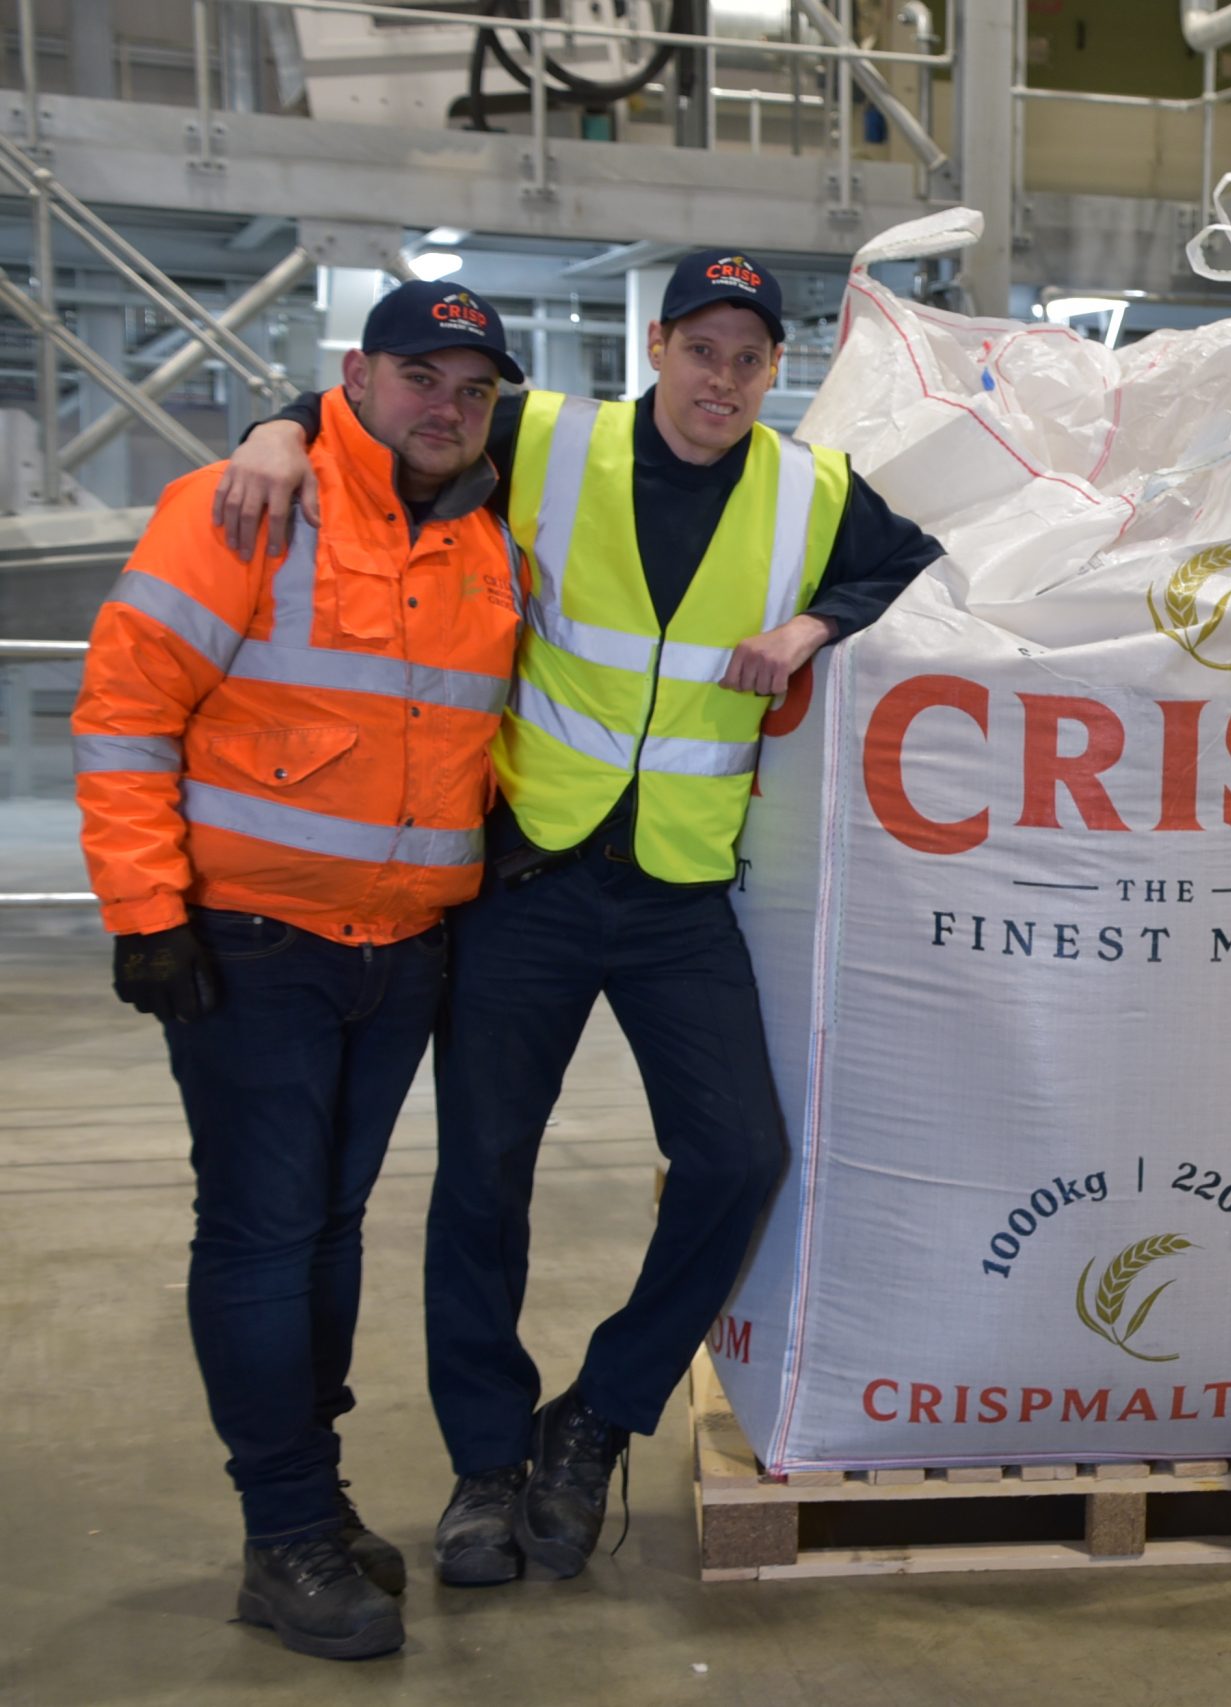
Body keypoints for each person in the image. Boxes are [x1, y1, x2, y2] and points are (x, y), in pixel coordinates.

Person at [217, 247, 946, 1587]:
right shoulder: (548, 437)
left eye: (749, 358)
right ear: (654, 346)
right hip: (528, 881)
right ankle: (484, 1468)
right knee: (485, 1179)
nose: (722, 379)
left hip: (676, 892)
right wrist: (271, 427)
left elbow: (913, 559)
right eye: (701, 348)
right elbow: (398, 402)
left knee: (738, 1158)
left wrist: (813, 627)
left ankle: (596, 1418)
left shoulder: (811, 490)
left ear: (773, 372)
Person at [74, 280, 523, 1660]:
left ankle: (310, 1506)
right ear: (355, 375)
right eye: (418, 378)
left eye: (471, 388)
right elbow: (127, 706)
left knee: (328, 1234)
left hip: (403, 954)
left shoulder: (485, 535)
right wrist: (147, 911)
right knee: (266, 1238)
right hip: (254, 949)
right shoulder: (246, 506)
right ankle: (280, 1534)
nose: (444, 408)